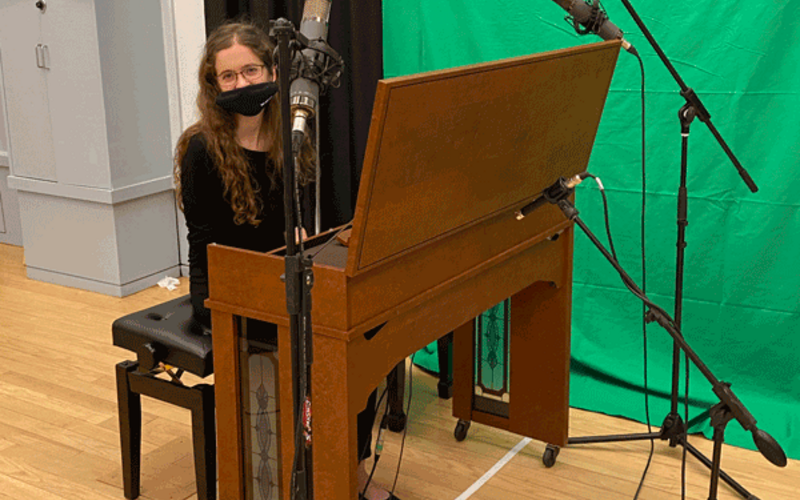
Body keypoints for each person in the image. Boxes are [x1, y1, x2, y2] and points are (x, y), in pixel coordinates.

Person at [172, 20, 398, 500]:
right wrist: (224, 294)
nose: (241, 84)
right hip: (228, 291)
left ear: (273, 70)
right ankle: (285, 474)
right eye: (228, 77)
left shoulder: (287, 139)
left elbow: (285, 222)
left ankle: (349, 472)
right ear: (213, 86)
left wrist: (296, 240)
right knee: (328, 348)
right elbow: (205, 246)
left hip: (280, 275)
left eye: (250, 71)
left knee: (363, 332)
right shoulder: (200, 150)